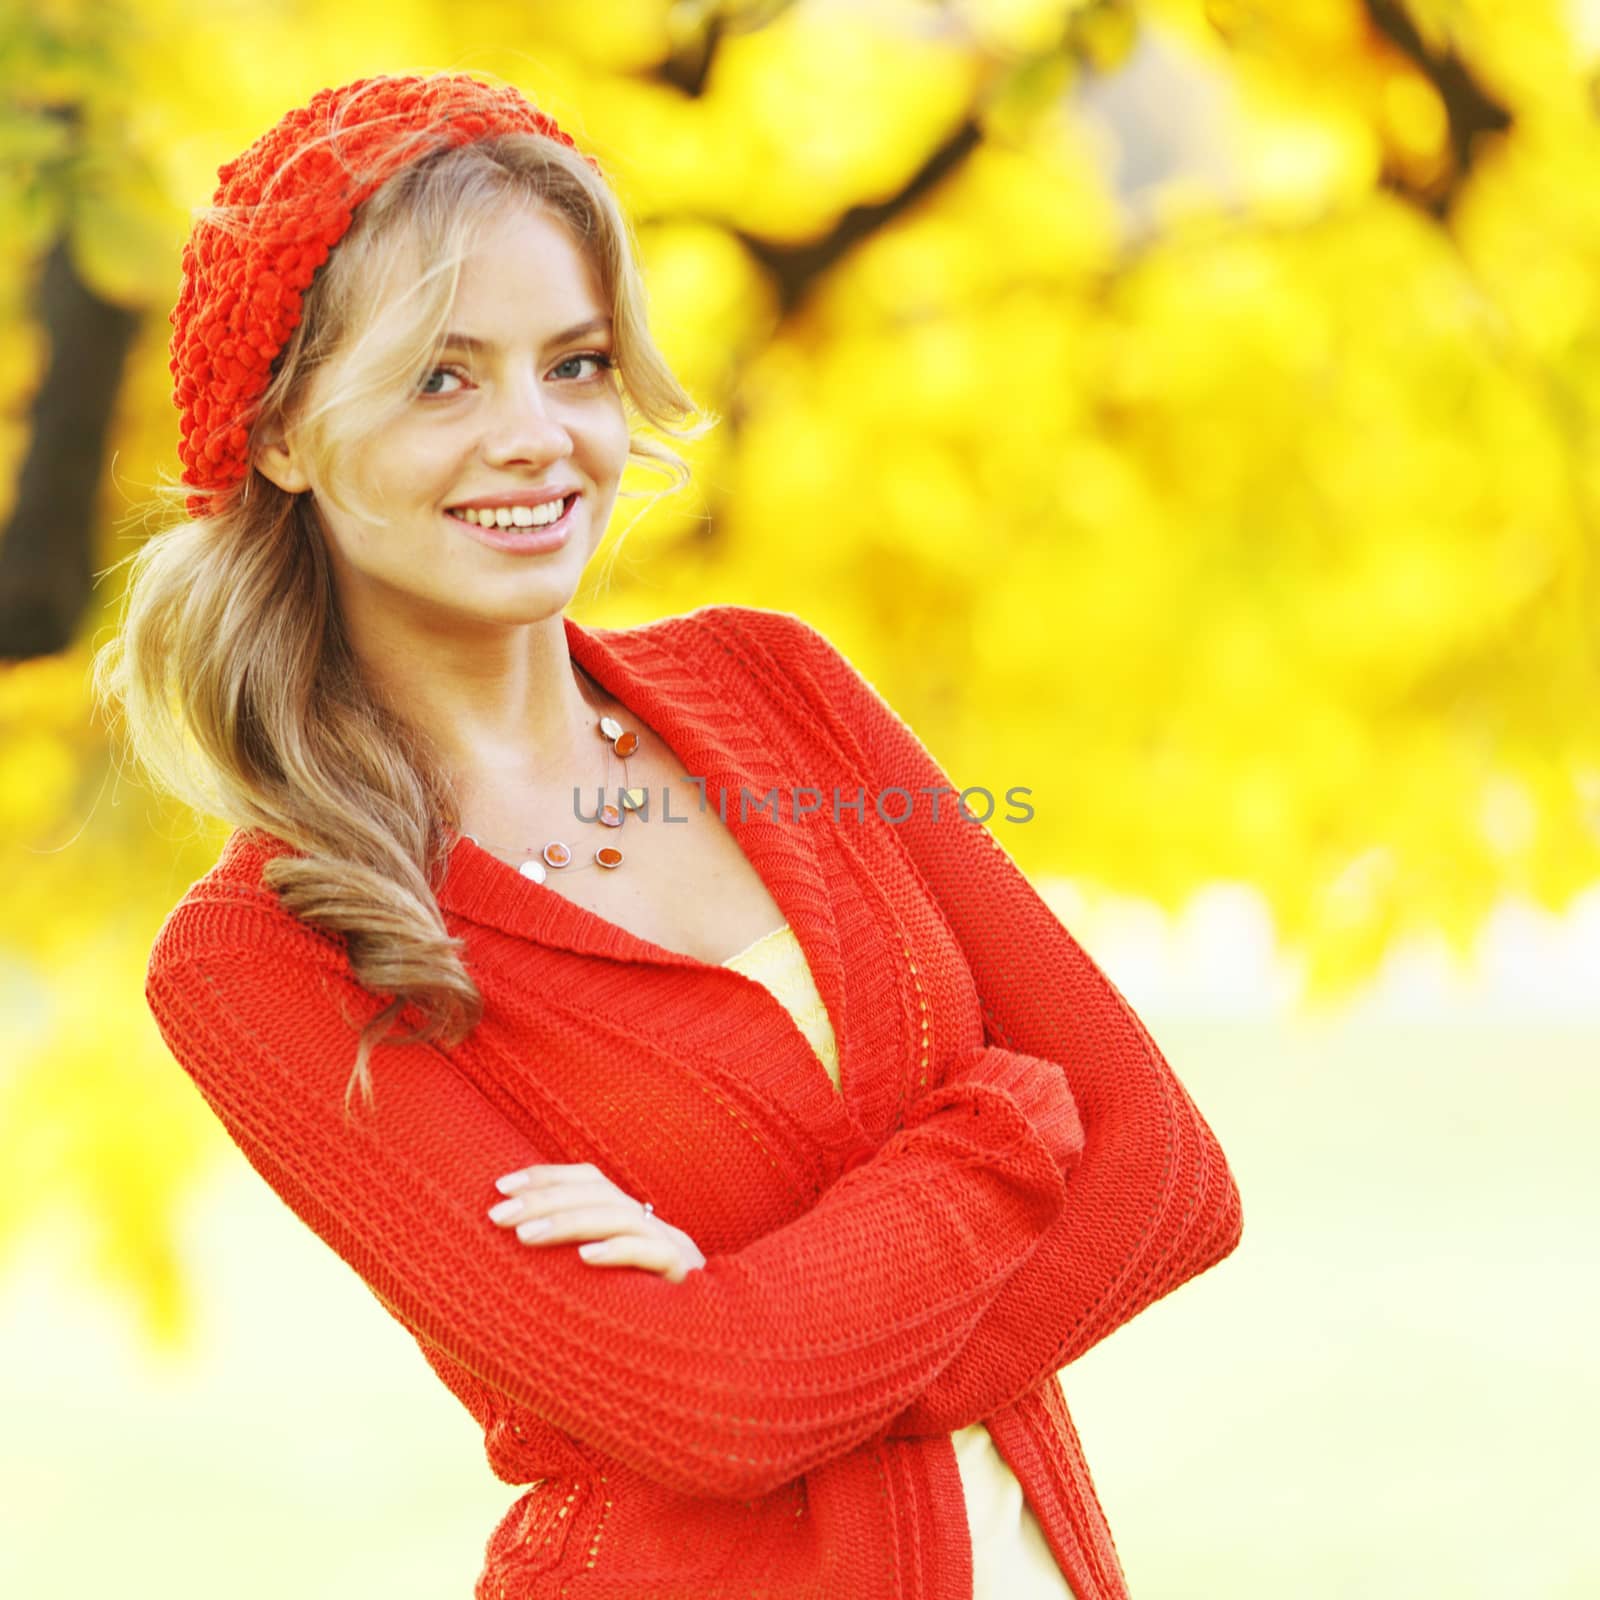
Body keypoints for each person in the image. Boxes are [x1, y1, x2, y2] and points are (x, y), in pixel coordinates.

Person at [92, 71, 1243, 1600]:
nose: (537, 439)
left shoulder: (782, 689)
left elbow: (1167, 1176)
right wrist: (1008, 1132)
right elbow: (711, 1404)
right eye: (442, 379)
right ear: (287, 433)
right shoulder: (265, 956)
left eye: (573, 365)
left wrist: (767, 1330)